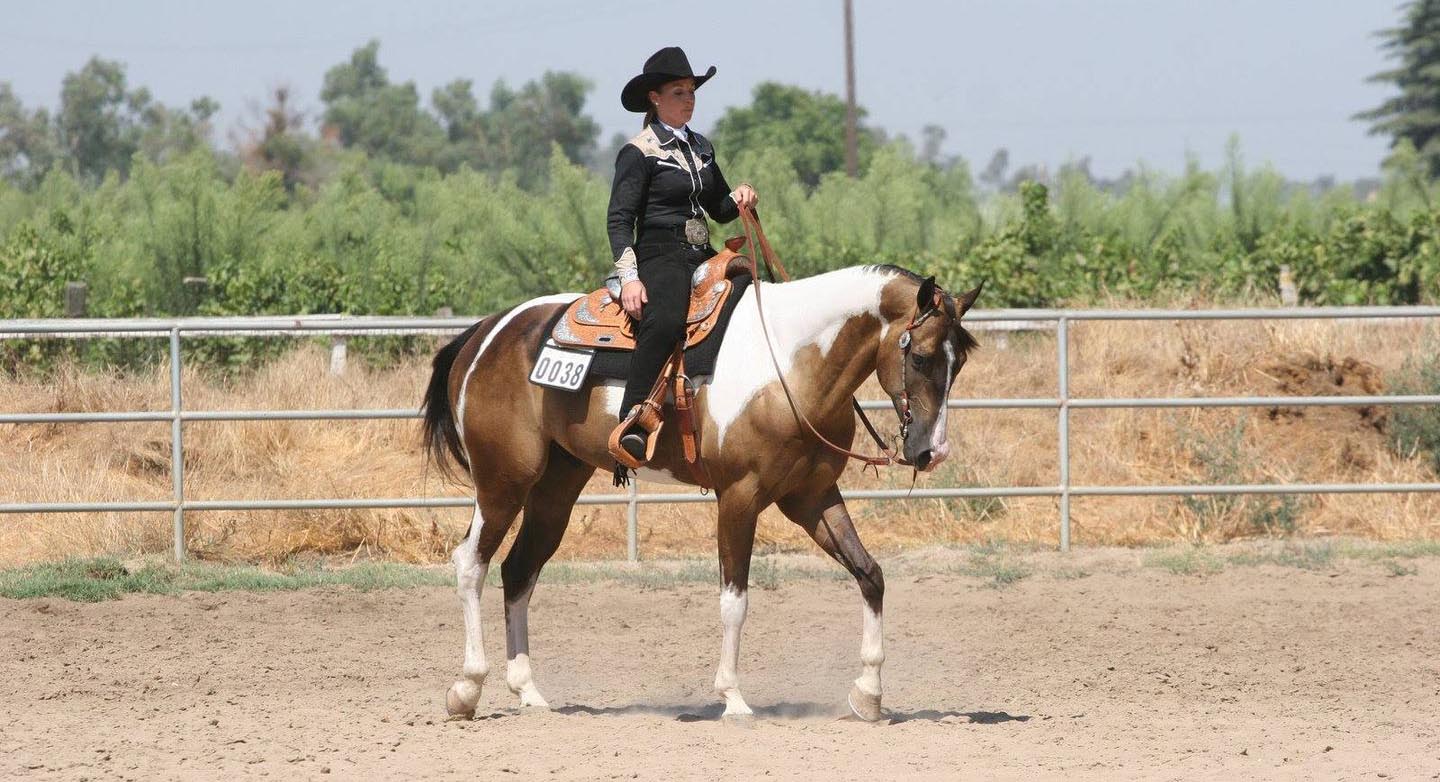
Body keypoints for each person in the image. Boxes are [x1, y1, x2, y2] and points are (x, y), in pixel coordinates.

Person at [607, 46, 758, 463]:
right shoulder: (638, 152)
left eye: (692, 91)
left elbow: (720, 210)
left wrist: (740, 197)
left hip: (701, 251)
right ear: (655, 98)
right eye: (679, 92)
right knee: (667, 318)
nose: (689, 99)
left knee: (753, 293)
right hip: (659, 253)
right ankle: (633, 419)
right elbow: (619, 219)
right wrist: (630, 277)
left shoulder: (701, 148)